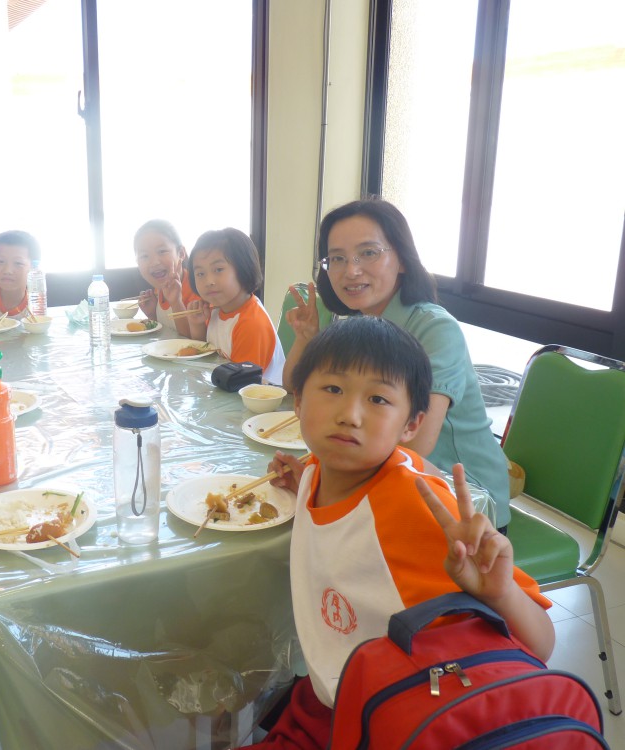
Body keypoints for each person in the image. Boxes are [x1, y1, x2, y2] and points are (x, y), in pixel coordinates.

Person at [250, 316, 553, 748]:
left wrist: (498, 592)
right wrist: (302, 484)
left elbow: (542, 643)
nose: (349, 415)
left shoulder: (415, 502)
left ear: (411, 425)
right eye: (332, 389)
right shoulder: (321, 467)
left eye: (378, 398)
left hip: (408, 715)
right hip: (338, 694)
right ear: (298, 400)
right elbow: (348, 520)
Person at [279, 198, 512, 529]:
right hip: (384, 476)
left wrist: (330, 478)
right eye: (338, 258)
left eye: (368, 253)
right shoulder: (356, 324)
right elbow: (294, 389)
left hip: (462, 502)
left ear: (401, 258)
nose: (351, 270)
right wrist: (307, 338)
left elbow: (415, 445)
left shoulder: (435, 329)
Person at [184, 227, 285, 383]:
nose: (209, 281)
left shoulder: (251, 323)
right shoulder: (218, 308)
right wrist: (197, 325)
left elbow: (242, 383)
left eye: (218, 270)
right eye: (200, 274)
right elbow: (205, 353)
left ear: (243, 268)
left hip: (258, 394)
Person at [133, 219, 200, 336]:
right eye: (144, 256)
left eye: (162, 251)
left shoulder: (197, 289)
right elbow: (167, 332)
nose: (154, 262)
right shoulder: (159, 288)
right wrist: (152, 314)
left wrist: (176, 302)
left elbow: (191, 341)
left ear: (181, 253)